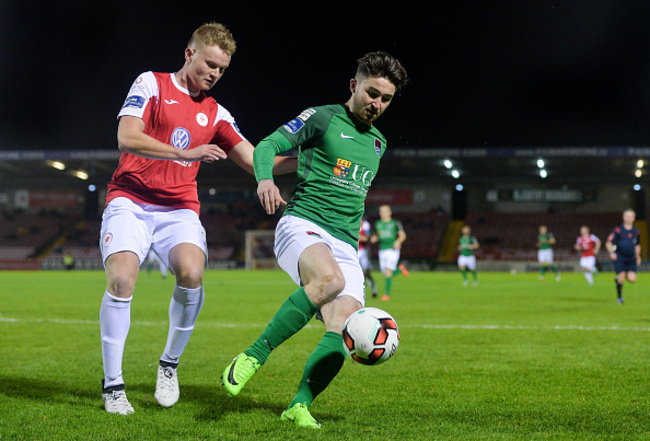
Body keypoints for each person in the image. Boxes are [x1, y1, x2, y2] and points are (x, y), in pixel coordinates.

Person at [99, 22, 295, 415]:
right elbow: (127, 136)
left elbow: (258, 159)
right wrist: (184, 153)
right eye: (209, 64)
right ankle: (113, 384)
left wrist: (317, 163)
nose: (214, 74)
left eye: (221, 70)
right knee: (121, 279)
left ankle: (169, 366)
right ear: (190, 54)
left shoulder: (217, 113)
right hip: (131, 199)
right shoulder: (151, 84)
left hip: (178, 208)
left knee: (192, 273)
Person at [221, 51, 409, 428]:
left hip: (345, 243)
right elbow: (268, 146)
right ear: (354, 85)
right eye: (372, 93)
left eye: (386, 99)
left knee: (345, 327)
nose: (377, 103)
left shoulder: (378, 143)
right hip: (303, 224)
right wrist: (265, 179)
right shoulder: (322, 117)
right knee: (331, 281)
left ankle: (300, 405)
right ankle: (253, 356)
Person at [370, 205, 409, 301]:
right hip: (382, 250)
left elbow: (403, 235)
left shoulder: (395, 223)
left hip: (392, 250)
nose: (383, 213)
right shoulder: (378, 224)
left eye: (385, 211)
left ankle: (386, 294)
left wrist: (398, 242)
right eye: (381, 211)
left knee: (387, 272)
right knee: (386, 273)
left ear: (389, 212)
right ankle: (400, 269)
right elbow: (378, 234)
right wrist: (375, 238)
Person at [605, 209, 641, 304]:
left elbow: (637, 244)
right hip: (620, 257)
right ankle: (620, 298)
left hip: (631, 258)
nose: (628, 218)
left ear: (633, 218)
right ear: (623, 217)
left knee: (632, 279)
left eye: (630, 216)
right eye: (627, 216)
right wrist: (611, 253)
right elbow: (609, 242)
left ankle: (618, 278)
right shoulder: (618, 230)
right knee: (621, 278)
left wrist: (638, 255)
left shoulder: (636, 231)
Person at [358, 217, 378, 298]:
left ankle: (373, 289)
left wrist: (357, 236)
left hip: (363, 251)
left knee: (366, 272)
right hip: (352, 250)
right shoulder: (347, 221)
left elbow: (368, 238)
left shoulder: (365, 224)